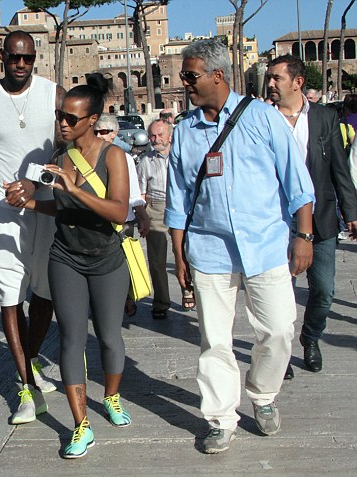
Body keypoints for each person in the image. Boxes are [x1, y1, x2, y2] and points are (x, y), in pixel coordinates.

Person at [165, 39, 315, 454]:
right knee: (214, 340)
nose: (184, 83)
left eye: (190, 75)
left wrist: (303, 237)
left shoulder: (263, 119)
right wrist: (179, 255)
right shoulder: (185, 131)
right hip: (209, 250)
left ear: (218, 75)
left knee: (280, 330)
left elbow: (297, 184)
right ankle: (220, 417)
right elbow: (178, 201)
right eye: (183, 75)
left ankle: (263, 395)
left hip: (265, 247)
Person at [12, 73, 132, 458]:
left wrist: (75, 190)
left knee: (110, 336)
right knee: (71, 339)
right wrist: (30, 202)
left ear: (92, 120)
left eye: (71, 119)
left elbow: (119, 211)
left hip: (107, 259)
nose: (62, 123)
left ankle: (111, 398)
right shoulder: (59, 160)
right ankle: (81, 425)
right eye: (60, 116)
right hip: (65, 258)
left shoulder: (114, 157)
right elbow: (60, 206)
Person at [0, 30, 65, 425]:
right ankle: (26, 387)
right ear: (2, 56)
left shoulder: (54, 94)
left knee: (44, 293)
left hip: (45, 205)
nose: (20, 64)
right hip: (3, 212)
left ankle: (33, 358)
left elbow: (67, 148)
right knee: (9, 295)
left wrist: (38, 181)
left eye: (27, 58)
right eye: (13, 58)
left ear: (35, 58)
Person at [267, 55, 357, 377]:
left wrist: (352, 211)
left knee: (324, 290)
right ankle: (283, 353)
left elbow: (339, 168)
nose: (271, 83)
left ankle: (311, 337)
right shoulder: (264, 119)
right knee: (281, 294)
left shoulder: (323, 118)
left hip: (321, 219)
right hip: (278, 223)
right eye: (270, 77)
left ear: (298, 82)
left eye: (277, 77)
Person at [93, 113, 149, 317]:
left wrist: (142, 216)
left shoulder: (123, 157)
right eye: (96, 131)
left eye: (104, 132)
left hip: (122, 221)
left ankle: (125, 297)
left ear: (114, 134)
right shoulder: (86, 157)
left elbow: (134, 193)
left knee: (122, 262)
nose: (99, 135)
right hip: (97, 220)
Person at [137, 119, 175, 319]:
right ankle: (161, 301)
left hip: (178, 206)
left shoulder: (180, 156)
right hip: (156, 207)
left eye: (160, 135)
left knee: (186, 255)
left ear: (169, 136)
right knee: (157, 260)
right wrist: (142, 215)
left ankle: (189, 289)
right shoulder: (145, 160)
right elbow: (141, 192)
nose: (156, 139)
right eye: (152, 135)